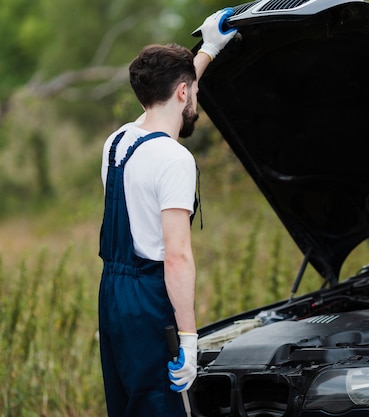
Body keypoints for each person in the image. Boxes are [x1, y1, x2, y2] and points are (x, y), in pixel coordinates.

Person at [98, 9, 238, 417]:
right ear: (183, 93)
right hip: (149, 301)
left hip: (113, 296)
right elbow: (177, 257)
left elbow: (166, 102)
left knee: (127, 405)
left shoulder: (118, 142)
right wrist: (190, 340)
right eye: (190, 91)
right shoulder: (174, 160)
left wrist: (209, 49)